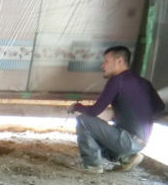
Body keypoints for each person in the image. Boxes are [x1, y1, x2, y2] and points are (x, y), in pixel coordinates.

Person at [69, 45, 165, 173]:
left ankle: (93, 165)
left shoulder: (117, 81)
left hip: (127, 141)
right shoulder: (144, 82)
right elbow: (159, 108)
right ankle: (127, 157)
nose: (102, 66)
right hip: (142, 142)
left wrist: (76, 106)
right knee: (99, 131)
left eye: (106, 61)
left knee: (83, 120)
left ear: (119, 61)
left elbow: (94, 111)